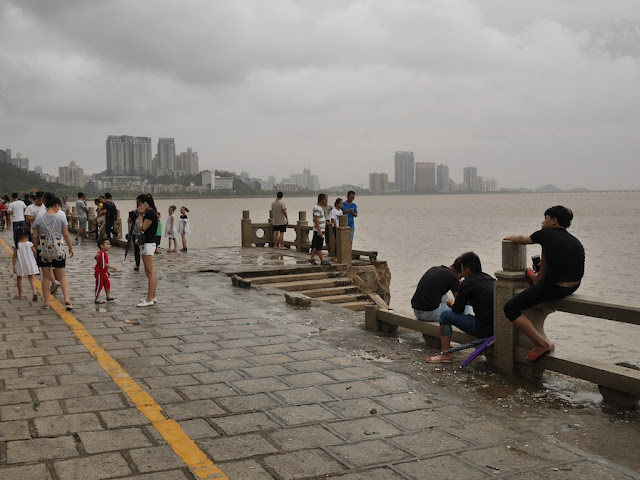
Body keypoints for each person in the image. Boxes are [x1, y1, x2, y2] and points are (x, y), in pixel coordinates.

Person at [503, 206, 585, 363]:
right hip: (574, 286)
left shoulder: (546, 234)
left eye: (545, 218)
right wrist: (537, 277)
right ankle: (541, 343)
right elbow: (543, 273)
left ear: (554, 221)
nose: (542, 222)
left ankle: (541, 344)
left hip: (555, 288)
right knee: (538, 283)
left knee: (510, 308)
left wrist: (509, 237)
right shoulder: (574, 240)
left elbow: (522, 239)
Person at [426, 252, 495, 364]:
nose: (461, 274)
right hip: (496, 328)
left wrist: (452, 303)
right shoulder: (489, 279)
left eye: (462, 271)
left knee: (444, 316)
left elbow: (457, 310)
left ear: (467, 270)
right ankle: (479, 349)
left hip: (483, 329)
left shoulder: (468, 282)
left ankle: (445, 354)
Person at [32, 193, 75, 310]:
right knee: (62, 277)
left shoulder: (39, 217)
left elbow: (35, 235)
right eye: (58, 206)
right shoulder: (60, 216)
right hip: (58, 250)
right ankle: (67, 298)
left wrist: (34, 248)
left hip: (43, 250)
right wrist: (71, 247)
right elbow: (66, 234)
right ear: (56, 205)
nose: (59, 208)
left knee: (46, 277)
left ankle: (46, 302)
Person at [411, 257, 463, 322]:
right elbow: (459, 302)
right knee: (464, 308)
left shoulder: (434, 269)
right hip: (430, 314)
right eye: (461, 277)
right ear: (461, 272)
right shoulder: (453, 277)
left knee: (444, 296)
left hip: (416, 312)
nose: (460, 279)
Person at [136, 193, 158, 307]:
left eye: (139, 204)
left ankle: (149, 299)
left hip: (148, 244)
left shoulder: (150, 214)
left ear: (145, 204)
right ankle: (152, 296)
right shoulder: (150, 213)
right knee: (152, 272)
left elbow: (142, 228)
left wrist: (140, 215)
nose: (138, 207)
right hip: (149, 244)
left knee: (150, 272)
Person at [12, 226, 39, 301]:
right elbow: (35, 252)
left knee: (19, 278)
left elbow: (14, 256)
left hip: (20, 263)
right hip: (29, 262)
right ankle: (34, 292)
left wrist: (14, 266)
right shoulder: (29, 244)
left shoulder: (17, 245)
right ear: (27, 234)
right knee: (31, 277)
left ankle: (20, 294)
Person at [309, 194, 330, 265]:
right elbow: (316, 219)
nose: (326, 202)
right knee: (319, 246)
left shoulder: (320, 208)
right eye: (326, 200)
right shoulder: (317, 208)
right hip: (318, 230)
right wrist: (319, 230)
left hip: (320, 229)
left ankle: (311, 258)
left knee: (316, 245)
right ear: (322, 200)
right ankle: (322, 261)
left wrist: (325, 222)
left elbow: (320, 218)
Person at [94, 238, 117, 304]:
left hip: (103, 272)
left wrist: (107, 271)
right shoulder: (102, 254)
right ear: (101, 246)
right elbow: (103, 264)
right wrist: (111, 267)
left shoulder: (102, 253)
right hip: (99, 273)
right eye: (107, 244)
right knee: (99, 285)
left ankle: (108, 295)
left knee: (107, 283)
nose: (109, 246)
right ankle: (97, 298)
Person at [330, 198, 343, 262]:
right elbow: (333, 219)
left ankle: (339, 255)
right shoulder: (334, 210)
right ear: (337, 203)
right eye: (340, 203)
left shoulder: (340, 211)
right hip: (336, 228)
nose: (341, 205)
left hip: (340, 228)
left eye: (342, 203)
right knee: (337, 242)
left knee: (340, 242)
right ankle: (335, 256)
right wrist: (336, 226)